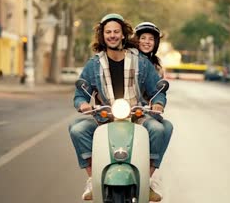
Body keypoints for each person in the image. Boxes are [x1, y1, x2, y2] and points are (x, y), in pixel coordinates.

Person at [69, 13, 167, 202]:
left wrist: (158, 103)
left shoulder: (140, 61)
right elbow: (81, 93)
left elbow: (157, 90)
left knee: (158, 128)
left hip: (136, 114)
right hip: (104, 115)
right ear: (102, 36)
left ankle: (146, 178)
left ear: (123, 35)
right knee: (77, 128)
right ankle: (92, 177)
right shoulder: (94, 64)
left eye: (116, 31)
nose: (112, 35)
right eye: (108, 32)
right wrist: (82, 104)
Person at [134, 21, 174, 195]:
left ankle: (149, 175)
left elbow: (158, 91)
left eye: (151, 39)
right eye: (142, 38)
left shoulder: (157, 66)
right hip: (122, 109)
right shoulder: (128, 59)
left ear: (156, 43)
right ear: (136, 40)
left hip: (146, 112)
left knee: (167, 127)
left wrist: (157, 104)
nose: (146, 42)